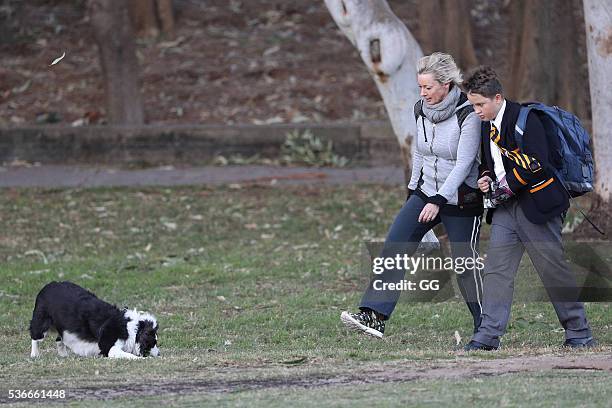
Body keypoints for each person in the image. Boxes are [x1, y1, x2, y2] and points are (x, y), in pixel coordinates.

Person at [340, 52, 484, 338]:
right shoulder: (421, 109)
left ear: (445, 85)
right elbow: (419, 152)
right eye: (420, 87)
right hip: (425, 192)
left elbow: (464, 163)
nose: (422, 93)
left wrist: (438, 200)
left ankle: (487, 325)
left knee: (464, 264)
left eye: (428, 87)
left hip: (460, 199)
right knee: (394, 245)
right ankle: (374, 316)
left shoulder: (468, 113)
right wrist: (413, 194)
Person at [462, 66, 595, 351]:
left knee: (552, 270)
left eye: (480, 105)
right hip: (504, 209)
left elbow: (538, 163)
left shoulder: (527, 119)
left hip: (537, 205)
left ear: (497, 97)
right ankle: (487, 337)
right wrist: (486, 178)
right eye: (473, 105)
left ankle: (578, 331)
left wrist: (506, 184)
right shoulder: (487, 123)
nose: (476, 111)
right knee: (497, 271)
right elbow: (490, 162)